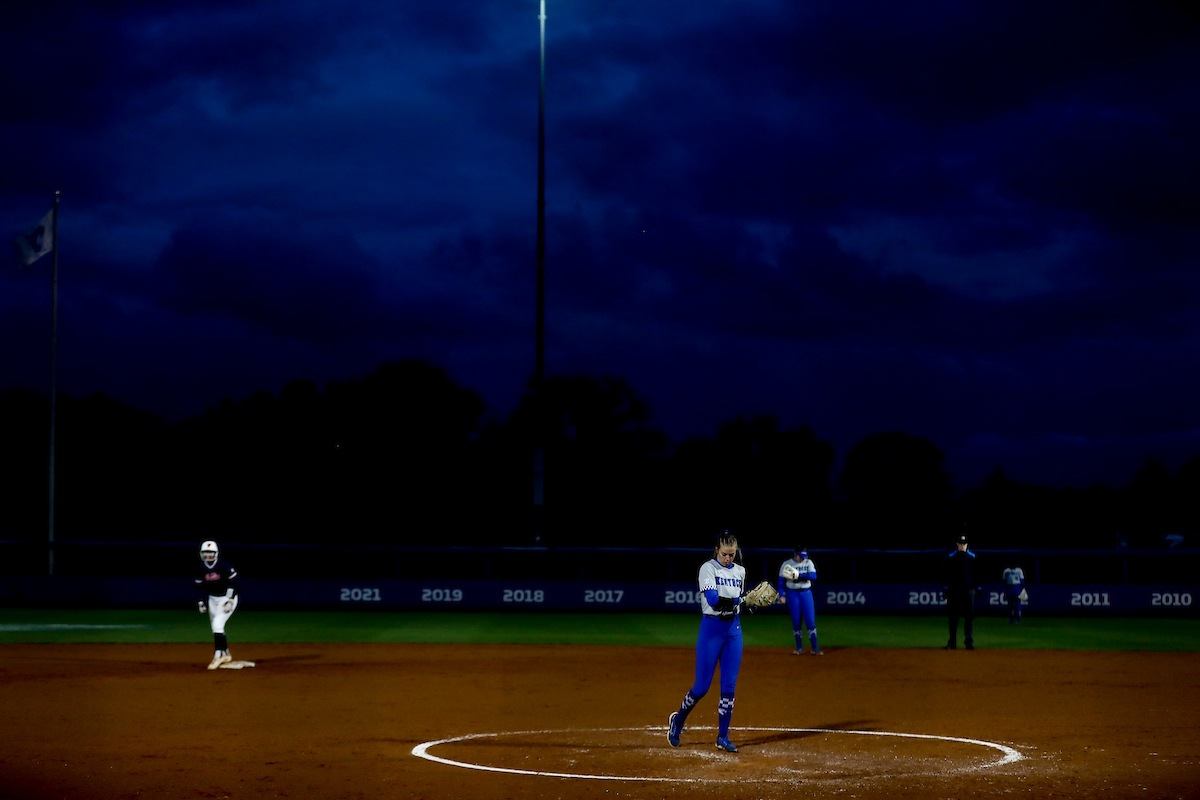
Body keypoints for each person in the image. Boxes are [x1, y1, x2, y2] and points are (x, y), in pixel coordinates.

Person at [666, 530, 747, 753]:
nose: (728, 558)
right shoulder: (707, 569)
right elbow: (713, 601)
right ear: (716, 550)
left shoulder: (740, 571)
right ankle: (678, 721)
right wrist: (742, 599)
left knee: (729, 686)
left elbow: (736, 605)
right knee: (701, 688)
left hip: (734, 631)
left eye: (731, 554)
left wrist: (749, 603)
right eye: (724, 554)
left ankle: (723, 736)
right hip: (711, 630)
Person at [195, 540, 239, 670]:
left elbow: (234, 583)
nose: (208, 555)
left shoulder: (223, 566)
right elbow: (199, 587)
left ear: (216, 554)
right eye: (205, 552)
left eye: (211, 552)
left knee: (217, 625)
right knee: (216, 627)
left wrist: (230, 600)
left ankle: (218, 655)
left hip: (226, 598)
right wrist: (201, 602)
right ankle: (225, 653)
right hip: (212, 599)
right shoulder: (200, 569)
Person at [777, 545, 822, 655]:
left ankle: (815, 648)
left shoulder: (808, 562)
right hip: (793, 594)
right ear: (795, 554)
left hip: (806, 593)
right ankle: (799, 648)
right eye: (800, 556)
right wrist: (781, 595)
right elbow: (781, 581)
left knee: (810, 621)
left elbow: (814, 576)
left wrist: (798, 576)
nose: (802, 559)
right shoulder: (787, 564)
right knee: (796, 622)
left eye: (804, 556)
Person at [943, 532, 978, 650]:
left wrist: (978, 588)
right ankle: (952, 642)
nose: (962, 545)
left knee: (969, 617)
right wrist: (946, 588)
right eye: (961, 543)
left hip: (969, 590)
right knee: (953, 617)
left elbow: (976, 574)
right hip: (955, 591)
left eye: (964, 543)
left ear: (967, 544)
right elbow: (946, 574)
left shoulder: (972, 557)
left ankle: (969, 642)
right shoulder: (951, 557)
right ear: (957, 544)